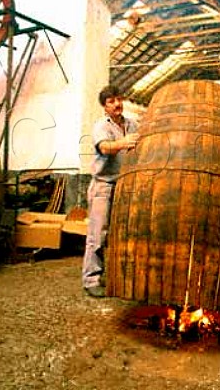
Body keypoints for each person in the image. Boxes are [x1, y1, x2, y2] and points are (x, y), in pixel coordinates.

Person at [82, 85, 139, 297]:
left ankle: (117, 276)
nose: (117, 104)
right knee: (98, 234)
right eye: (111, 101)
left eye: (118, 99)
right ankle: (91, 279)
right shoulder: (101, 126)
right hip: (103, 185)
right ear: (104, 107)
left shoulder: (132, 124)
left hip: (125, 184)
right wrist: (124, 142)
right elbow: (105, 147)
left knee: (121, 232)